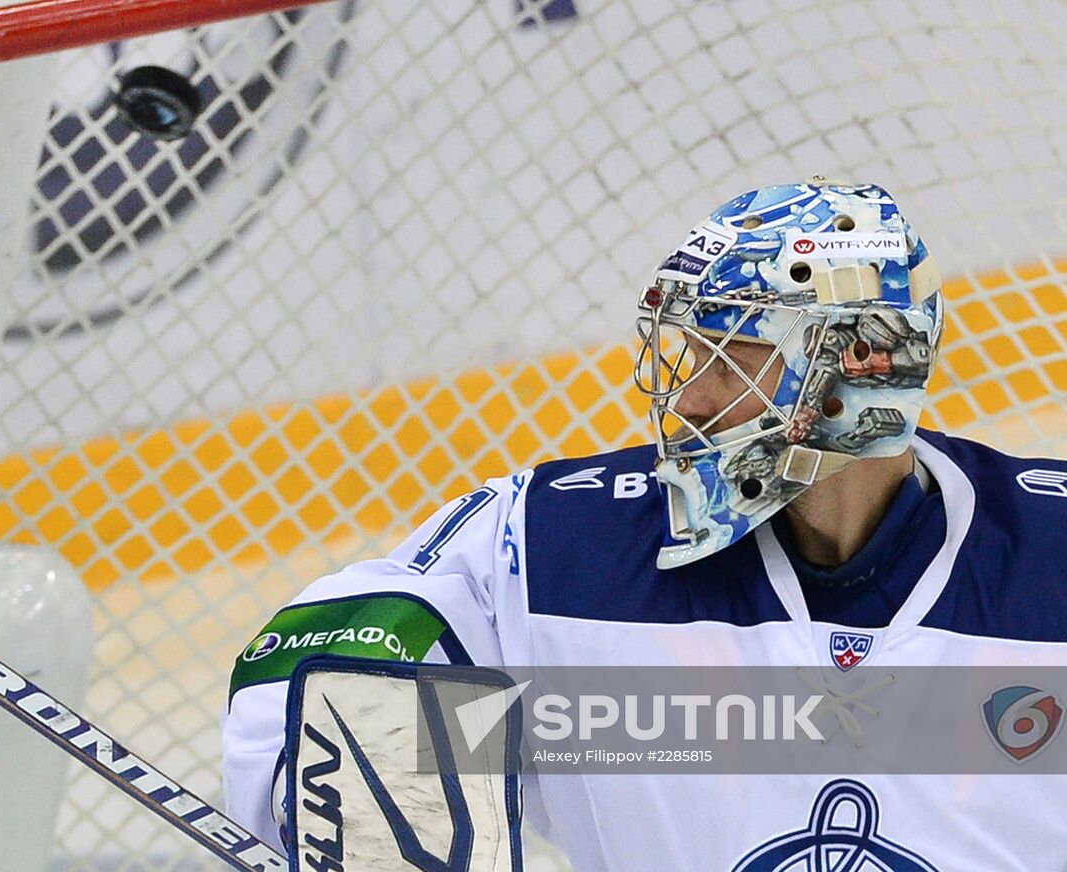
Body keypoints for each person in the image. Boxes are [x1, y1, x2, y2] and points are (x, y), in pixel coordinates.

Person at [222, 180, 1067, 870]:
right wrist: (363, 795)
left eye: (735, 355)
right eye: (689, 353)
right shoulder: (561, 546)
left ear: (859, 367)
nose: (690, 399)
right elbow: (343, 645)